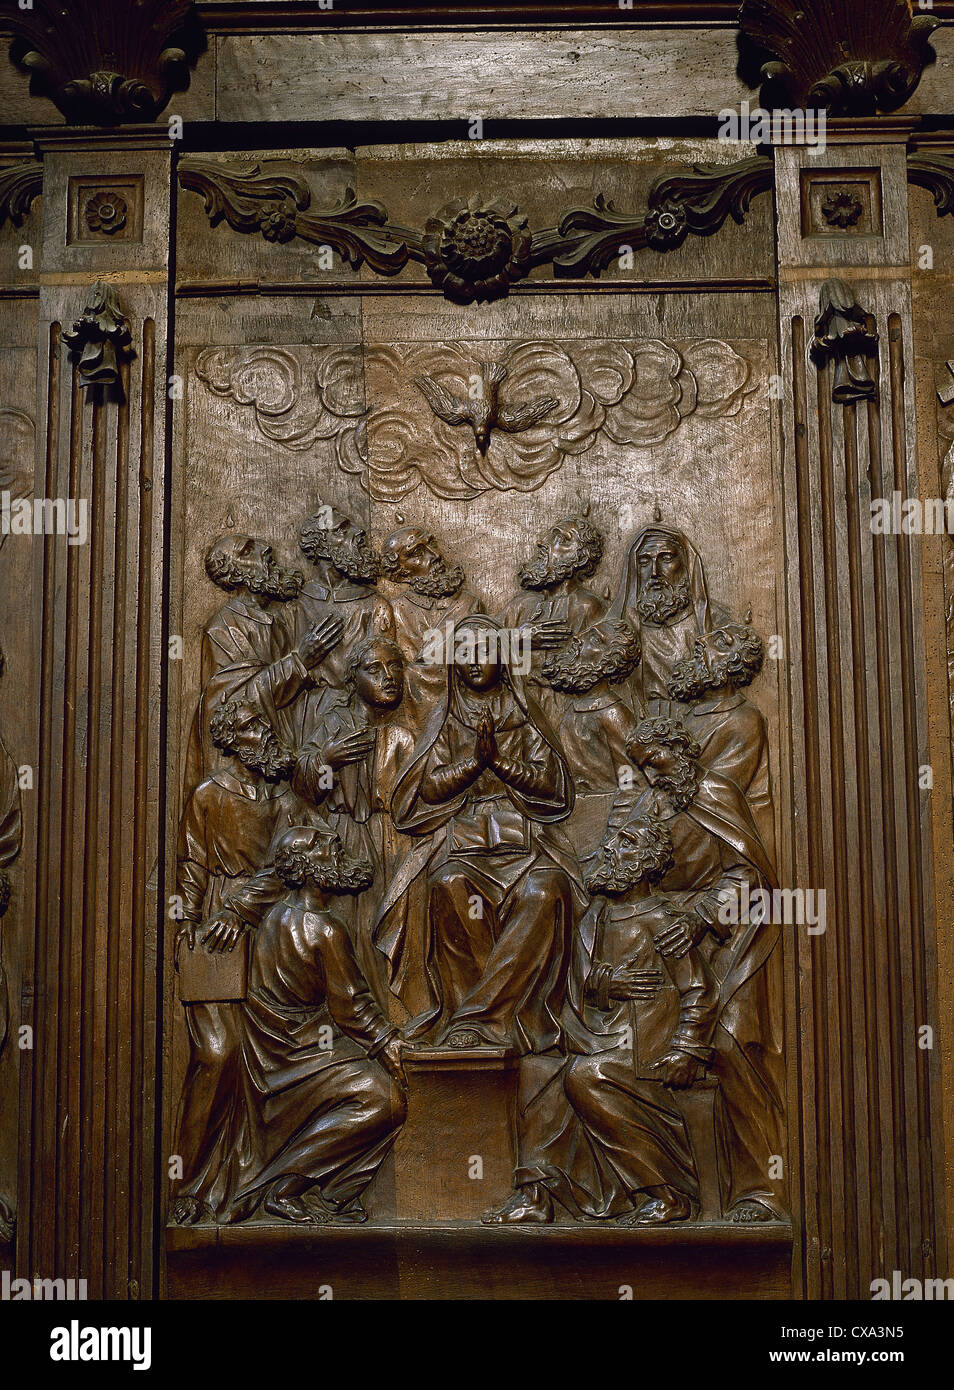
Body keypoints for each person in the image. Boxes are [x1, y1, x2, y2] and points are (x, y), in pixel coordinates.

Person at [376, 614, 583, 1052]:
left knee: (547, 891)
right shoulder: (446, 718)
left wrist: (501, 764)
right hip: (464, 847)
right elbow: (426, 787)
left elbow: (552, 784)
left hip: (525, 844)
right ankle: (472, 1018)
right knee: (446, 887)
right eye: (464, 654)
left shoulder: (522, 714)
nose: (474, 662)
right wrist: (473, 763)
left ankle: (484, 1021)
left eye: (485, 652)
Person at [224, 826, 408, 1224]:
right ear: (306, 867)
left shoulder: (273, 916)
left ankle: (333, 1195)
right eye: (322, 846)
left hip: (279, 1052)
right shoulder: (325, 928)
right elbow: (351, 1006)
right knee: (384, 1098)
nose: (334, 847)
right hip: (295, 1054)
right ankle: (286, 1187)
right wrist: (387, 1041)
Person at [171, 701, 297, 1226]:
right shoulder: (206, 797)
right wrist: (188, 929)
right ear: (228, 739)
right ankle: (188, 1181)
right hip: (215, 942)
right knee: (217, 1055)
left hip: (264, 932)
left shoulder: (284, 802)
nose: (263, 733)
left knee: (261, 1061)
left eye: (265, 725)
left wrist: (240, 905)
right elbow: (192, 864)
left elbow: (287, 866)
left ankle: (253, 1182)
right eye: (250, 727)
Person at [184, 534, 341, 802]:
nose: (266, 549)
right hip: (256, 775)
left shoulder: (277, 621)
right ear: (234, 573)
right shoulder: (224, 629)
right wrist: (299, 661)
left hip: (291, 758)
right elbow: (236, 707)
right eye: (248, 550)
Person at [379, 524, 484, 732]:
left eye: (431, 543)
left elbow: (484, 660)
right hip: (414, 722)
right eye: (417, 553)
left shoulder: (469, 604)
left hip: (464, 720)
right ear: (401, 573)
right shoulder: (395, 612)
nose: (434, 555)